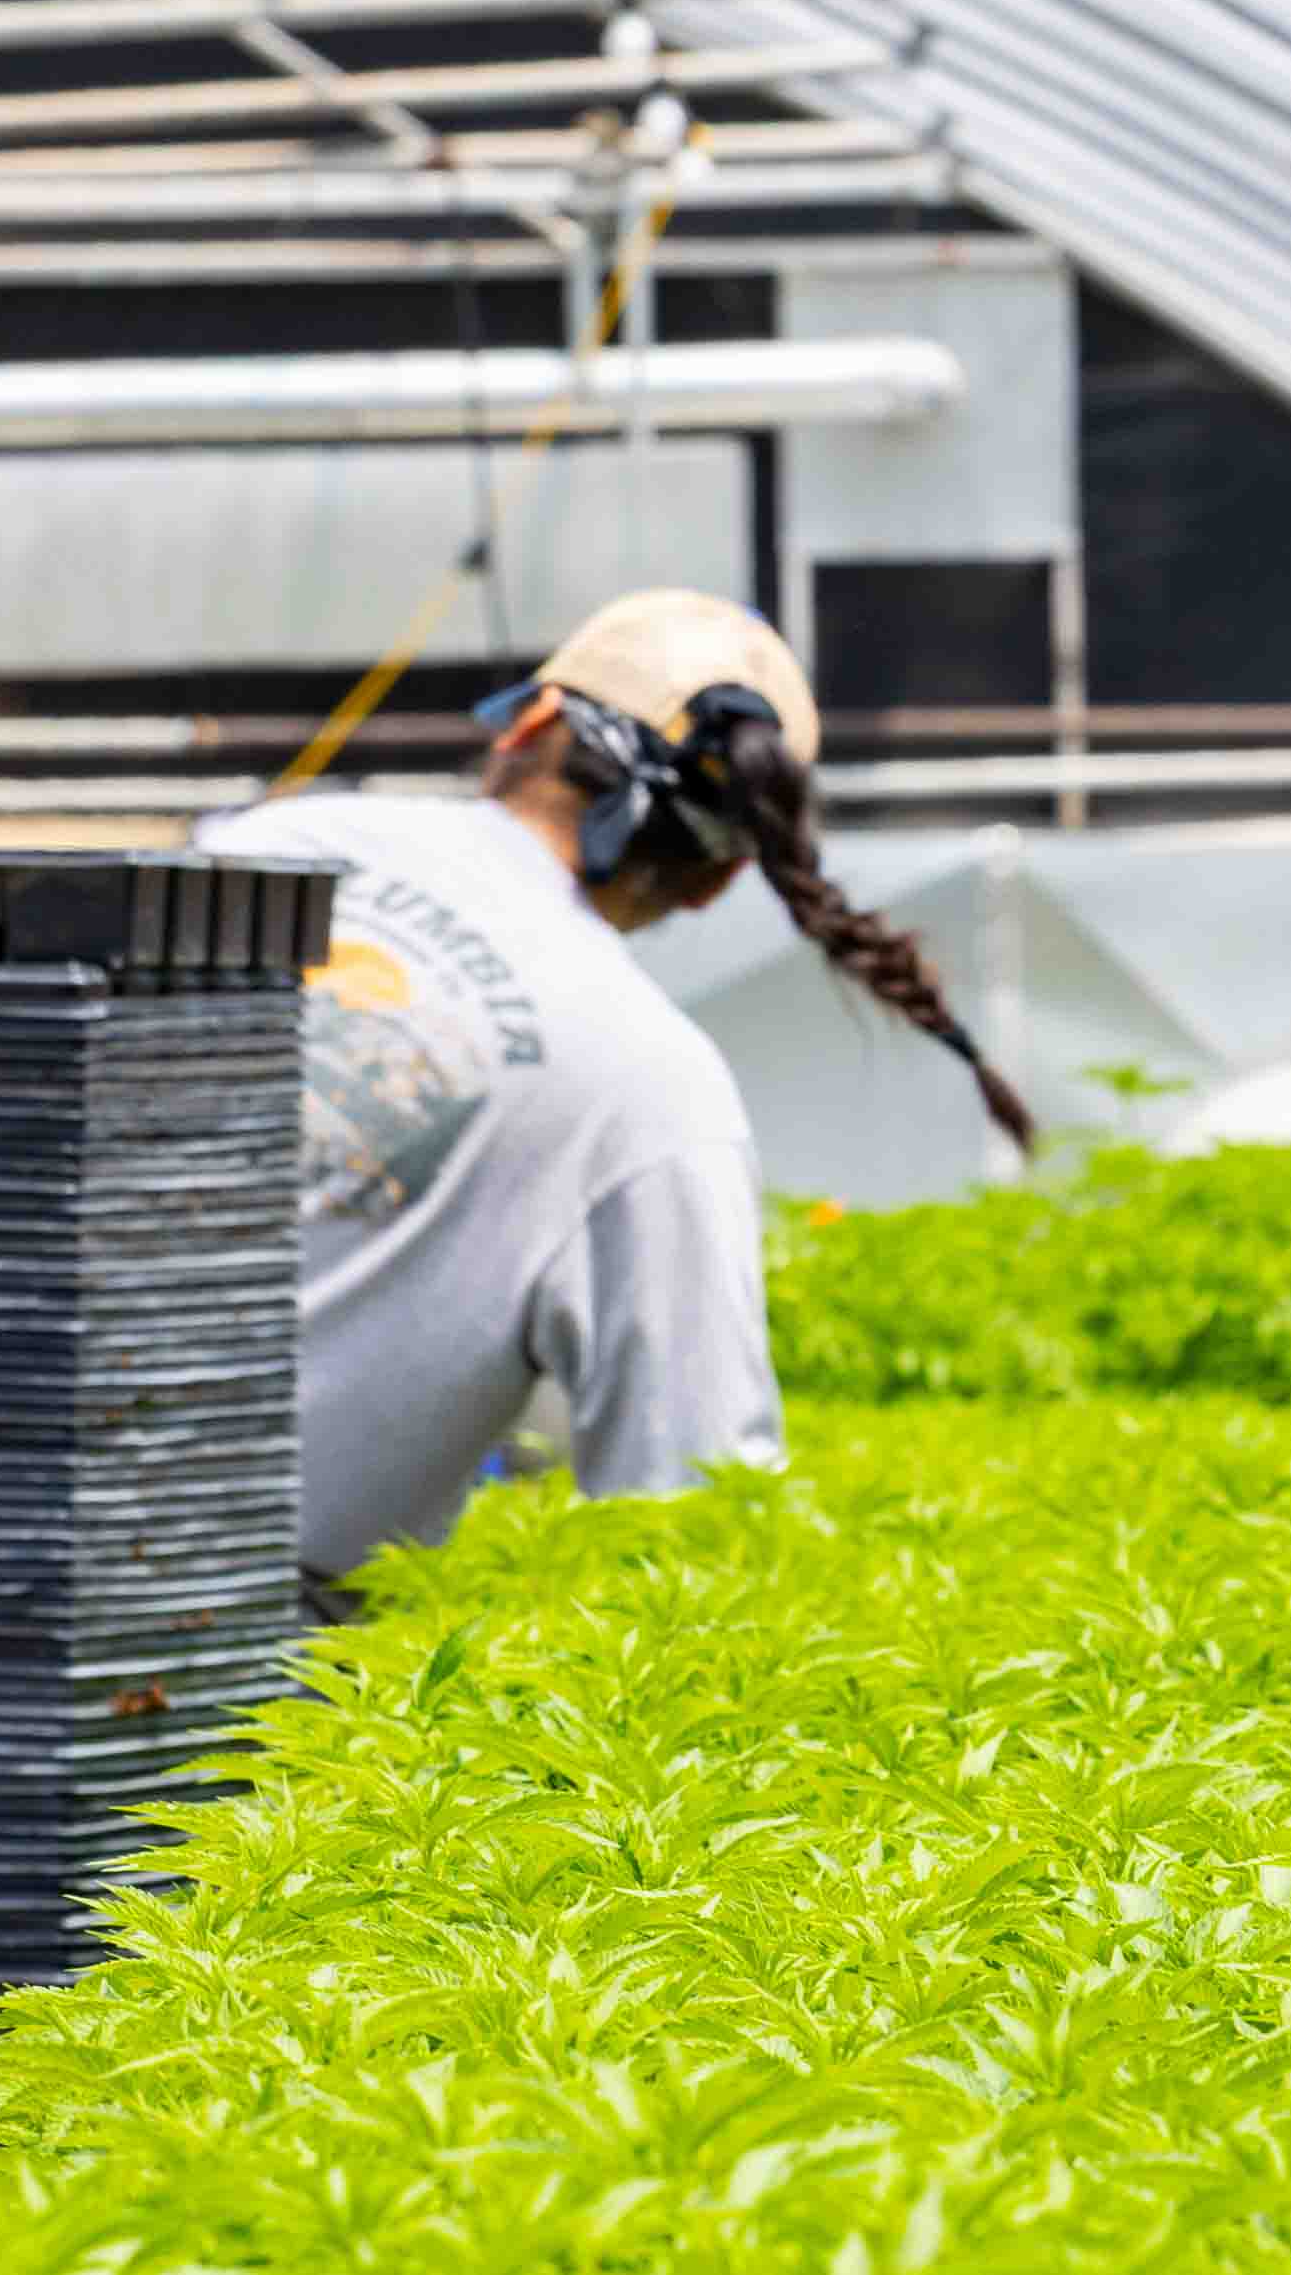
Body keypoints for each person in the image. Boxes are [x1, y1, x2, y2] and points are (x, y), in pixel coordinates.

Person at [198, 587, 1032, 1577]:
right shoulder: (653, 1089)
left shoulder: (273, 846)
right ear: (718, 878)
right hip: (231, 1674)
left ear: (531, 723)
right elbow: (691, 1513)